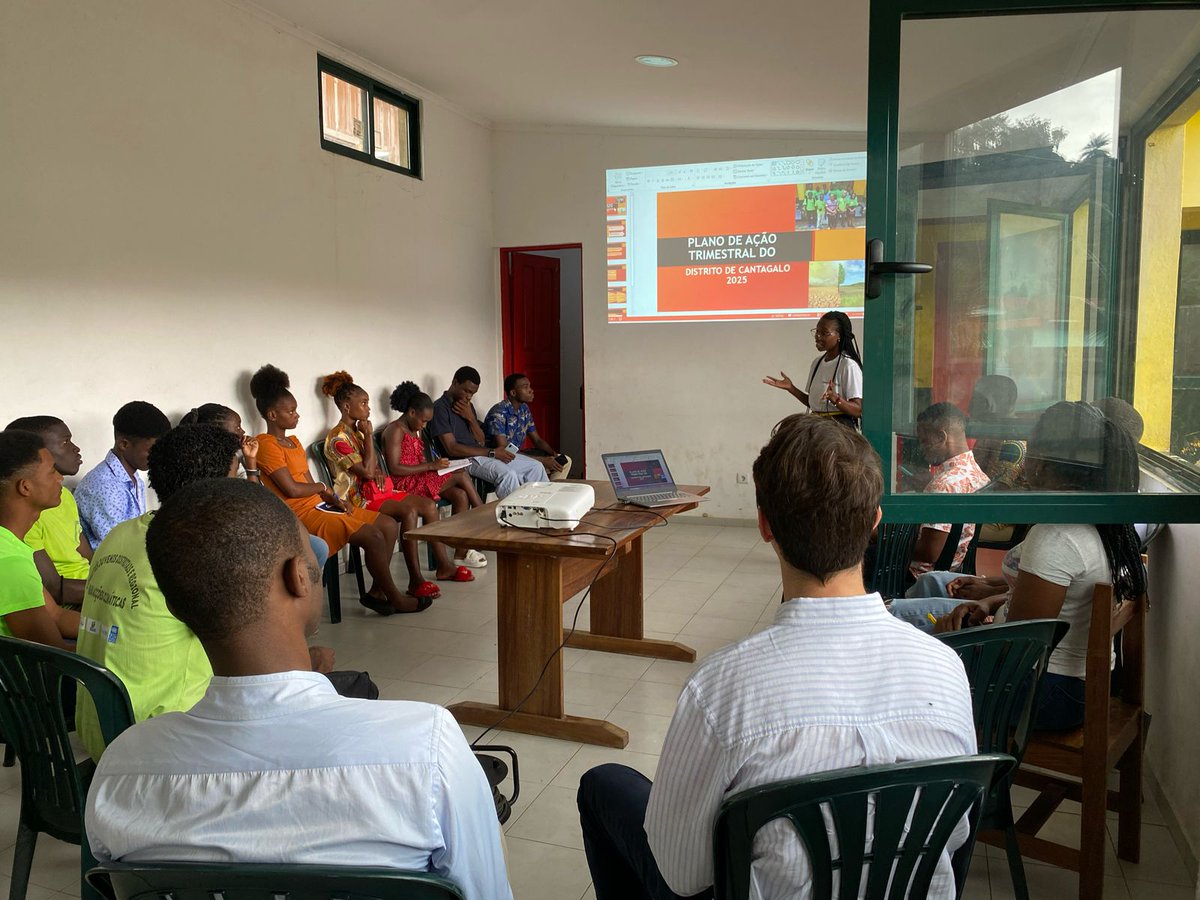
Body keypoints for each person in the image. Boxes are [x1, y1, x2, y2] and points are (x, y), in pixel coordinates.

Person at [576, 416, 976, 900]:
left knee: (604, 783)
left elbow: (683, 875)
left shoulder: (720, 689)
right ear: (875, 522)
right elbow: (954, 833)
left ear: (765, 526)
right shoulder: (946, 669)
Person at [85, 478, 512, 900]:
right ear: (298, 578)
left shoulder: (121, 769)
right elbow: (485, 891)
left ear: (175, 608)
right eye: (311, 555)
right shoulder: (425, 746)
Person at [75, 423, 343, 761]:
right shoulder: (201, 551)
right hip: (164, 739)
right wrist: (308, 663)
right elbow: (261, 665)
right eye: (235, 477)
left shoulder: (121, 534)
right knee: (341, 687)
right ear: (219, 490)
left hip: (100, 727)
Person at [928, 401, 1147, 731]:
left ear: (1046, 462)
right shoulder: (1103, 523)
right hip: (1073, 687)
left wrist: (953, 644)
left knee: (918, 664)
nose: (1026, 458)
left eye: (1033, 447)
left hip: (1046, 693)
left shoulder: (1057, 536)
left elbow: (1017, 651)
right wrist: (991, 603)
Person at [249, 364, 429, 615]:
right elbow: (292, 489)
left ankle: (378, 593)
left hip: (319, 503)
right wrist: (323, 488)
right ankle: (395, 598)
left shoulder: (293, 441)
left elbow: (310, 480)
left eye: (297, 410)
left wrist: (333, 498)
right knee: (374, 536)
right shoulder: (266, 445)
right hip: (299, 513)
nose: (297, 415)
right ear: (272, 415)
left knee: (388, 524)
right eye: (291, 411)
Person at [320, 371, 471, 591]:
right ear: (346, 407)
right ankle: (415, 579)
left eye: (368, 403)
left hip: (377, 490)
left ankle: (444, 566)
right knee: (408, 512)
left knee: (428, 505)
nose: (368, 408)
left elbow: (373, 468)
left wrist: (377, 468)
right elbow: (366, 471)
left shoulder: (358, 432)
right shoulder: (337, 438)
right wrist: (371, 448)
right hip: (356, 498)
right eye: (363, 403)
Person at [179, 403, 329, 568]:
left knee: (315, 545)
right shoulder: (208, 468)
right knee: (313, 549)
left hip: (251, 523)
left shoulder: (237, 458)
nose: (243, 432)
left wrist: (251, 462)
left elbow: (255, 496)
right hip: (234, 536)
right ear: (218, 435)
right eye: (237, 427)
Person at [384, 380, 487, 569]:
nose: (424, 426)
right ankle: (483, 515)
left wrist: (436, 466)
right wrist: (431, 466)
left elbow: (419, 461)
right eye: (423, 421)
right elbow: (395, 469)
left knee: (460, 495)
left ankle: (460, 551)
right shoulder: (395, 430)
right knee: (461, 475)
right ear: (412, 412)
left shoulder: (414, 429)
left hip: (420, 477)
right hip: (405, 484)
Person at [0, 431, 80, 647]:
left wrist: (117, 631)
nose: (60, 478)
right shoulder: (9, 563)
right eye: (52, 471)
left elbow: (56, 616)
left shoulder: (10, 544)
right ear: (25, 487)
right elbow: (54, 657)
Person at [5, 416, 91, 606]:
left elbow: (85, 552)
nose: (75, 448)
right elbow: (52, 588)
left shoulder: (64, 496)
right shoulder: (24, 517)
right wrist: (111, 593)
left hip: (90, 592)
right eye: (65, 441)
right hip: (74, 602)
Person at [431, 366, 547, 499]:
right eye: (466, 391)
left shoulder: (467, 406)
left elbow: (480, 440)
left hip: (482, 453)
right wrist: (492, 452)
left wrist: (470, 419)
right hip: (464, 460)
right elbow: (452, 449)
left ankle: (541, 510)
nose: (469, 397)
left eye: (472, 393)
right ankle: (512, 516)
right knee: (508, 475)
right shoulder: (440, 408)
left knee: (536, 467)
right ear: (455, 382)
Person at [908, 402, 990, 580]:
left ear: (941, 437)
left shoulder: (943, 486)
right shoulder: (976, 473)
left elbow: (929, 553)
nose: (921, 448)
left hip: (919, 576)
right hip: (956, 569)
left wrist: (881, 539)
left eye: (924, 441)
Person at [75, 401, 171, 549]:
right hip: (111, 566)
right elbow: (118, 547)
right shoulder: (105, 487)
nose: (159, 456)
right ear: (124, 444)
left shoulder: (132, 477)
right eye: (153, 450)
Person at [762, 310, 863, 428]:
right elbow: (813, 403)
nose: (818, 336)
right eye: (817, 331)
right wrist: (791, 388)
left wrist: (836, 399)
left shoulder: (848, 365)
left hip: (838, 430)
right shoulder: (817, 362)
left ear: (839, 336)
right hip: (817, 425)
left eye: (824, 333)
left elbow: (857, 410)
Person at [484, 373, 571, 481]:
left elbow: (537, 440)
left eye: (529, 386)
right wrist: (542, 460)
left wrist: (554, 455)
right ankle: (544, 491)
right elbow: (505, 450)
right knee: (537, 465)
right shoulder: (498, 412)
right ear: (513, 392)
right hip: (500, 458)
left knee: (566, 460)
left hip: (518, 455)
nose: (531, 390)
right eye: (526, 387)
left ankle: (550, 488)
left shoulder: (524, 409)